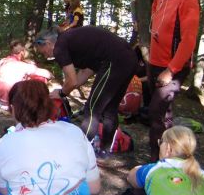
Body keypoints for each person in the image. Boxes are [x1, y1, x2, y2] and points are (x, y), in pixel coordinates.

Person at [35, 27, 137, 158]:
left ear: (48, 43)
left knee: (92, 110)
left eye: (44, 52)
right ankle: (104, 151)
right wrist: (65, 90)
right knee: (109, 109)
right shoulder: (73, 40)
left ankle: (78, 152)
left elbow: (71, 81)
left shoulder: (59, 47)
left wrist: (61, 93)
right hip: (129, 58)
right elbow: (84, 72)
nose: (46, 56)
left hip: (114, 61)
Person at [147, 0, 200, 160]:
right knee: (163, 114)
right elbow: (155, 23)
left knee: (155, 112)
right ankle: (169, 158)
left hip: (173, 66)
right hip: (155, 62)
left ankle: (157, 162)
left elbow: (189, 40)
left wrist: (171, 70)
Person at [0, 39, 52, 105]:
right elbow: (48, 74)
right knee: (39, 80)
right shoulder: (23, 66)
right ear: (22, 52)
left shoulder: (2, 61)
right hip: (11, 104)